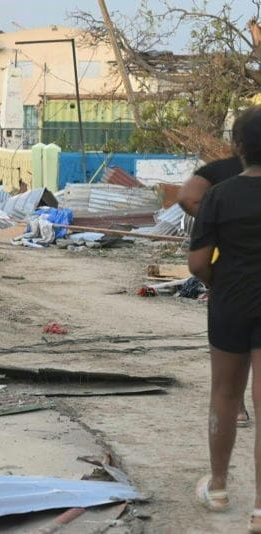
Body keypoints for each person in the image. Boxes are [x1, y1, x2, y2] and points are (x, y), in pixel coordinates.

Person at [188, 106, 261, 531]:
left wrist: (221, 281)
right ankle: (259, 511)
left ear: (237, 148)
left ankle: (217, 488)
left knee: (225, 396)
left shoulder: (220, 195)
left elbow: (198, 264)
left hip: (230, 303)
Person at [180, 153, 250, 427]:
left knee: (234, 352)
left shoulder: (221, 177)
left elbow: (187, 197)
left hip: (232, 282)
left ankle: (220, 470)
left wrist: (213, 280)